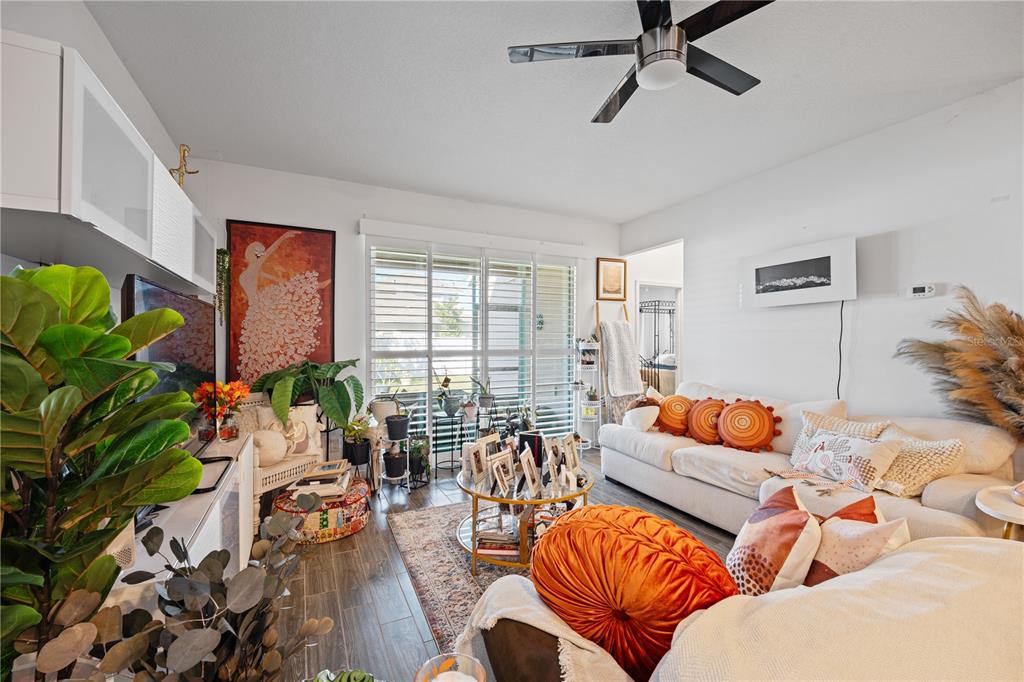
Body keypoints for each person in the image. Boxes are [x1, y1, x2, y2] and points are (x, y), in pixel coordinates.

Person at [236, 231, 328, 382]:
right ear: (252, 254)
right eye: (258, 251)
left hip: (256, 312)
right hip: (260, 310)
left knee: (267, 346)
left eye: (261, 251)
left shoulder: (251, 272)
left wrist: (286, 283)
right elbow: (267, 257)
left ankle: (313, 286)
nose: (261, 254)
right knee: (263, 348)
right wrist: (282, 238)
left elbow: (274, 278)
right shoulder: (252, 271)